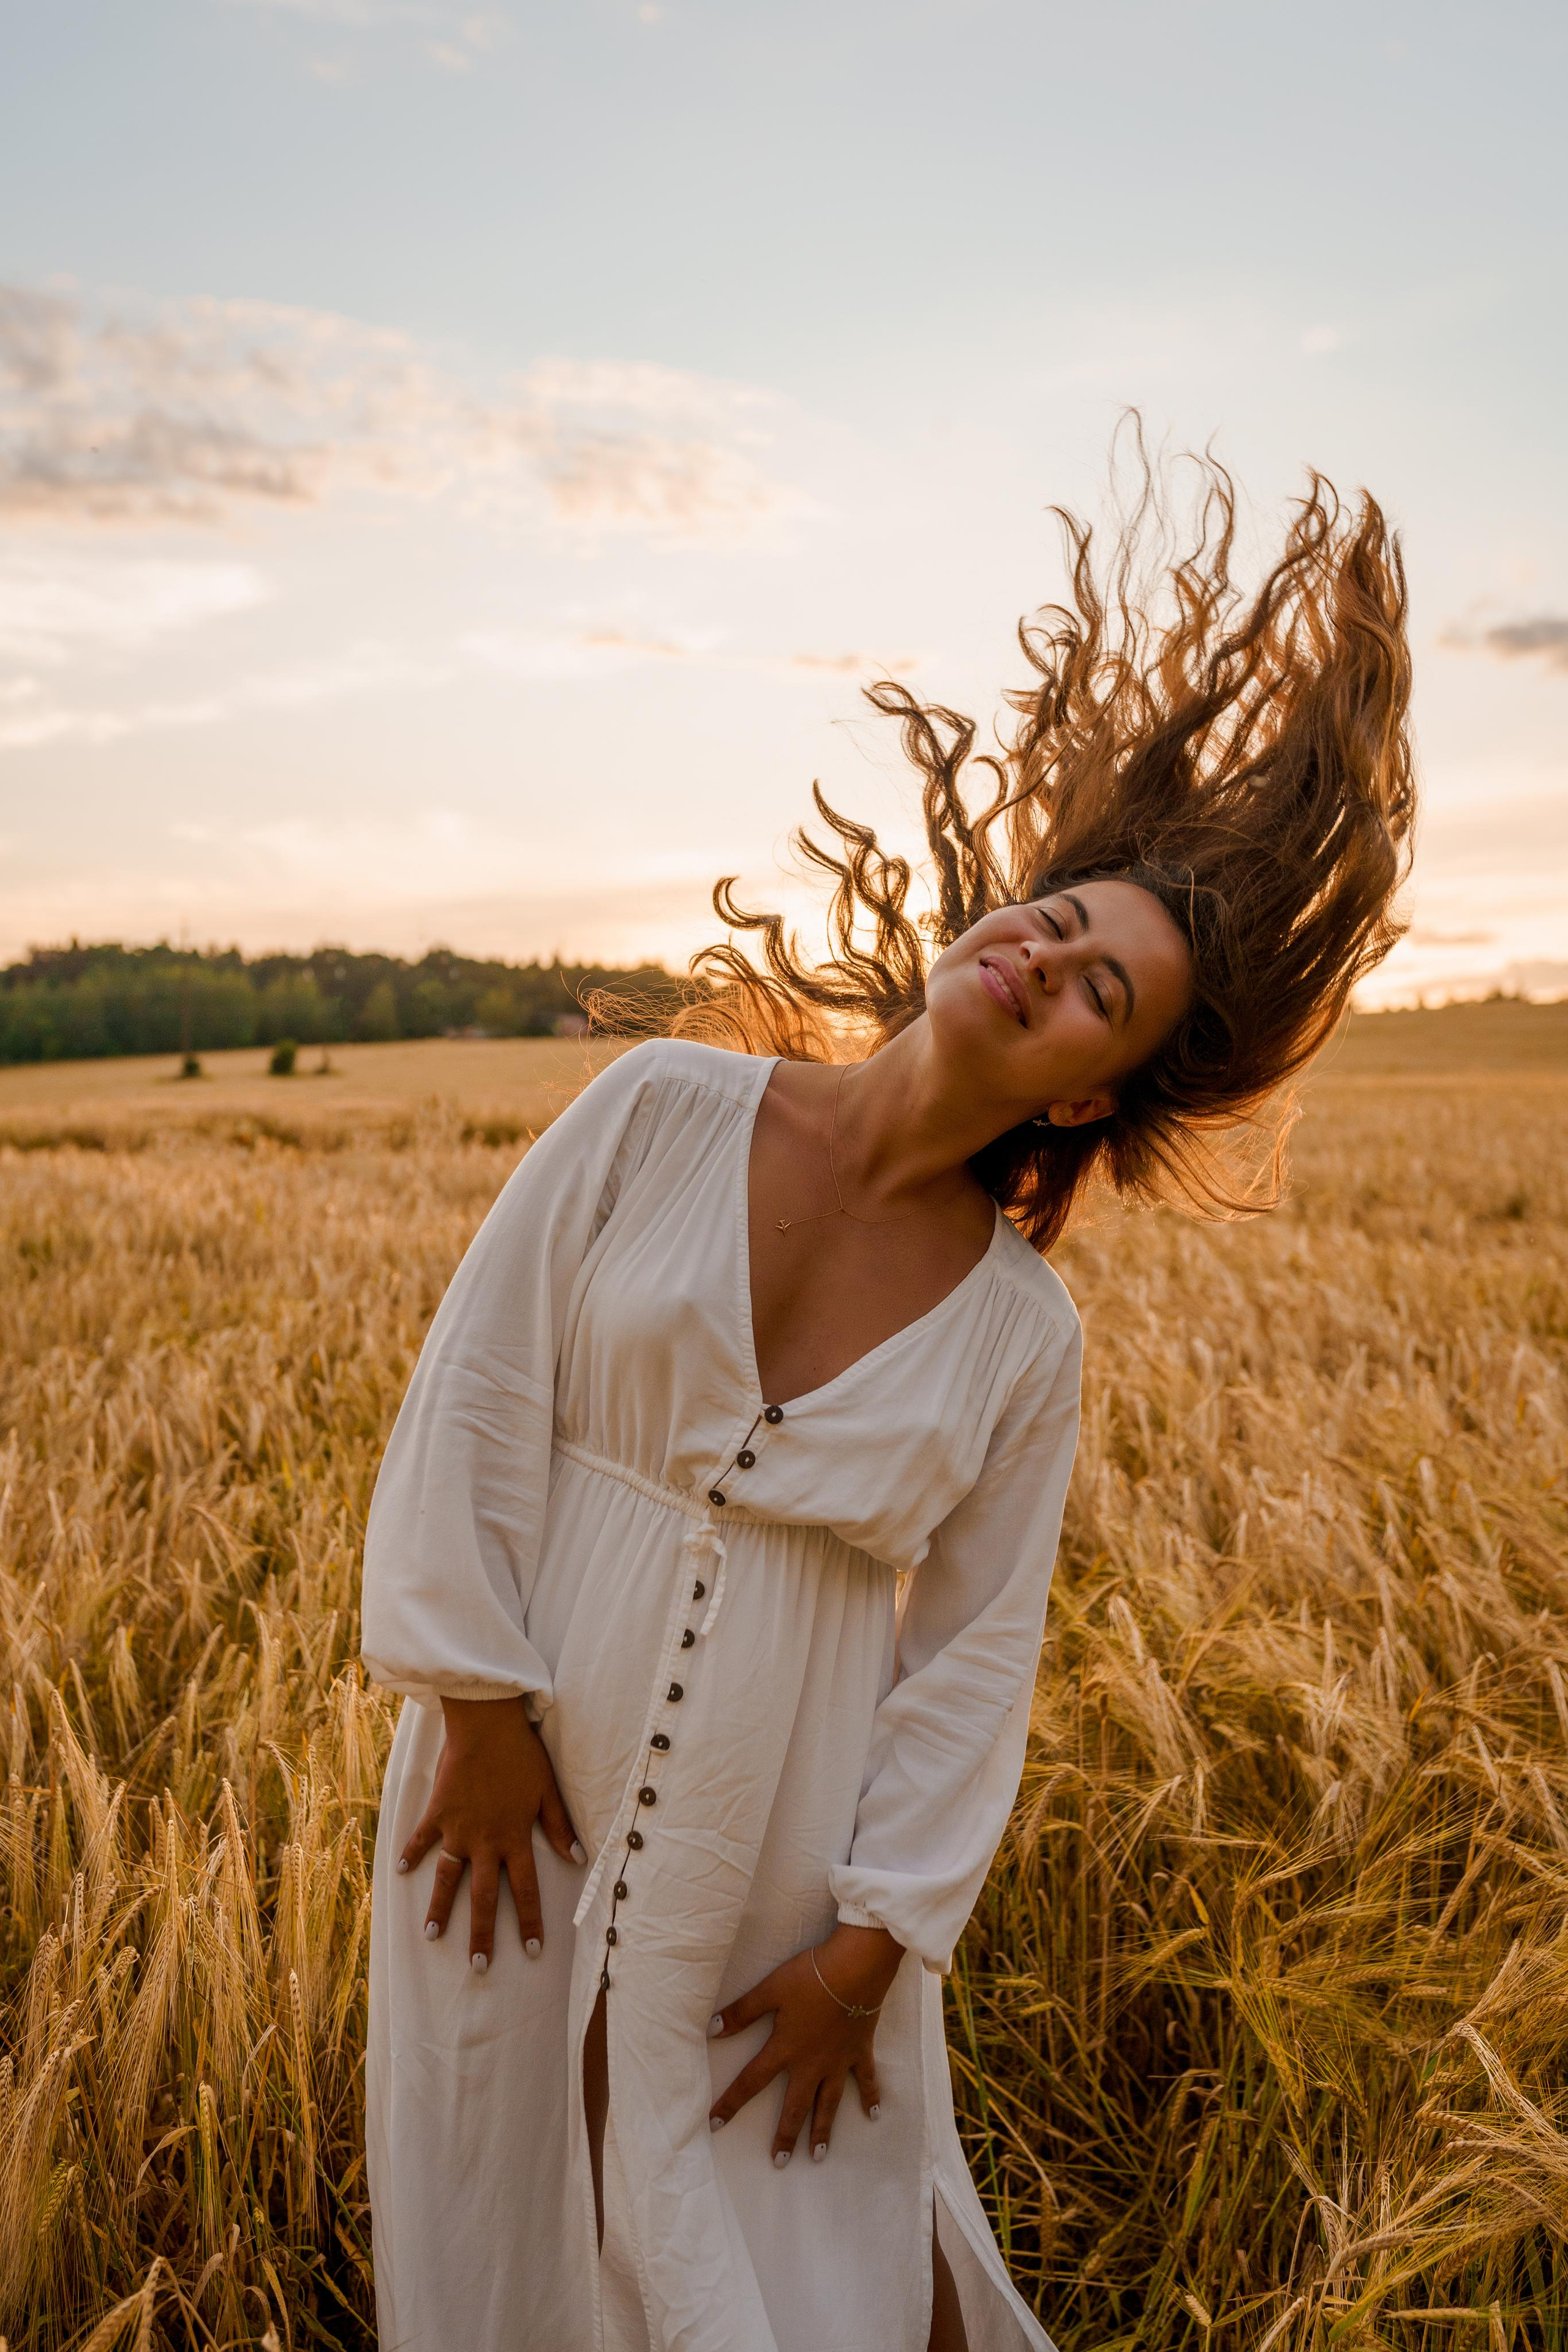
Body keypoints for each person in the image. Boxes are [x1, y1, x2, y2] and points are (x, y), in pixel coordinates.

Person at [359, 447, 1415, 2352]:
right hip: (502, 1798)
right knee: (507, 2190)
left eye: (1098, 993)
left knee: (815, 2267)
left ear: (1085, 1092)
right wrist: (478, 1709)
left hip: (781, 1859)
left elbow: (972, 1658)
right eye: (1057, 919)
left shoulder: (1021, 1336)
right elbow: (478, 1386)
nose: (1045, 959)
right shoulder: (659, 1110)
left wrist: (871, 1950)